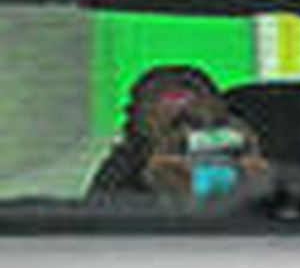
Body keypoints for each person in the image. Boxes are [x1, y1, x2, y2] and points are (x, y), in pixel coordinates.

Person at [90, 64, 267, 202]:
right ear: (136, 127)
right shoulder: (121, 173)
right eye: (173, 128)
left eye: (195, 126)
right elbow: (99, 220)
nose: (185, 136)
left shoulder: (251, 159)